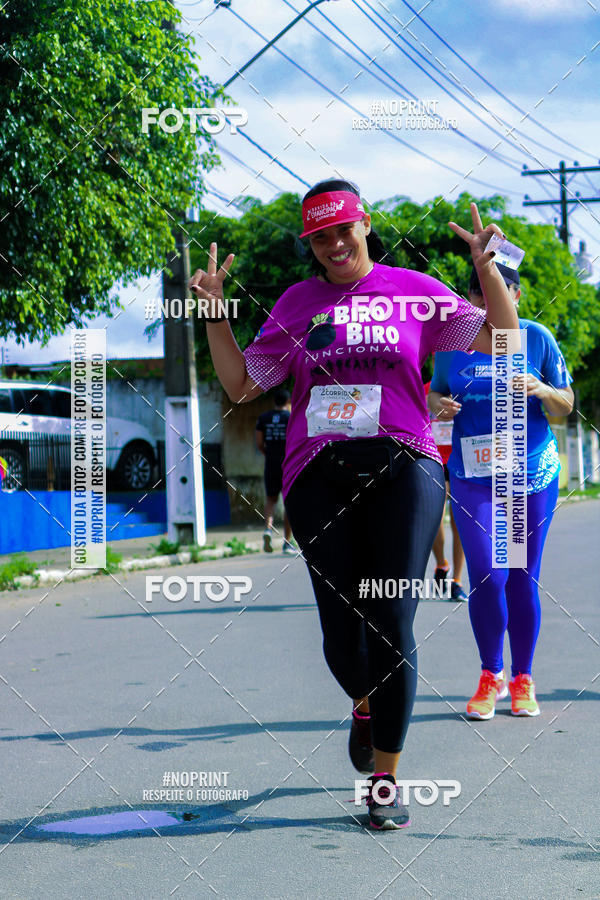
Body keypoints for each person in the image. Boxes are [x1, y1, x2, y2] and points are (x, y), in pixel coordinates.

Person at [190, 178, 518, 830]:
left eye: (344, 228)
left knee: (392, 619)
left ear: (365, 224)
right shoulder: (298, 301)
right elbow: (239, 383)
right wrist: (213, 315)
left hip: (406, 465)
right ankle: (363, 702)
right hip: (318, 473)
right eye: (320, 236)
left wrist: (489, 274)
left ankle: (387, 781)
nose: (335, 243)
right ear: (311, 244)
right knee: (344, 637)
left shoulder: (414, 292)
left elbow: (503, 341)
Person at [428, 264, 573, 721]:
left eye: (501, 291)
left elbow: (566, 407)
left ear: (516, 293)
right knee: (488, 574)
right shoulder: (452, 344)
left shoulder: (536, 338)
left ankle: (523, 678)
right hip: (474, 478)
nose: (489, 300)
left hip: (529, 477)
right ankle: (491, 674)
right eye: (480, 291)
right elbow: (432, 394)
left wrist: (543, 388)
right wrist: (438, 404)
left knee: (521, 576)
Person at [425, 378, 467, 601]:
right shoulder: (425, 390)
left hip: (463, 460)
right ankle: (442, 564)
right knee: (434, 519)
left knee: (460, 521)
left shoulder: (467, 387)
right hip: (433, 460)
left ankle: (457, 582)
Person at [255, 388, 295, 554]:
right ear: (288, 402)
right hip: (288, 463)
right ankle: (287, 542)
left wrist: (269, 454)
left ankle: (268, 530)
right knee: (289, 502)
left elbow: (259, 443)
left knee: (271, 499)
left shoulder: (263, 418)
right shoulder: (291, 418)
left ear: (274, 401)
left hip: (270, 462)